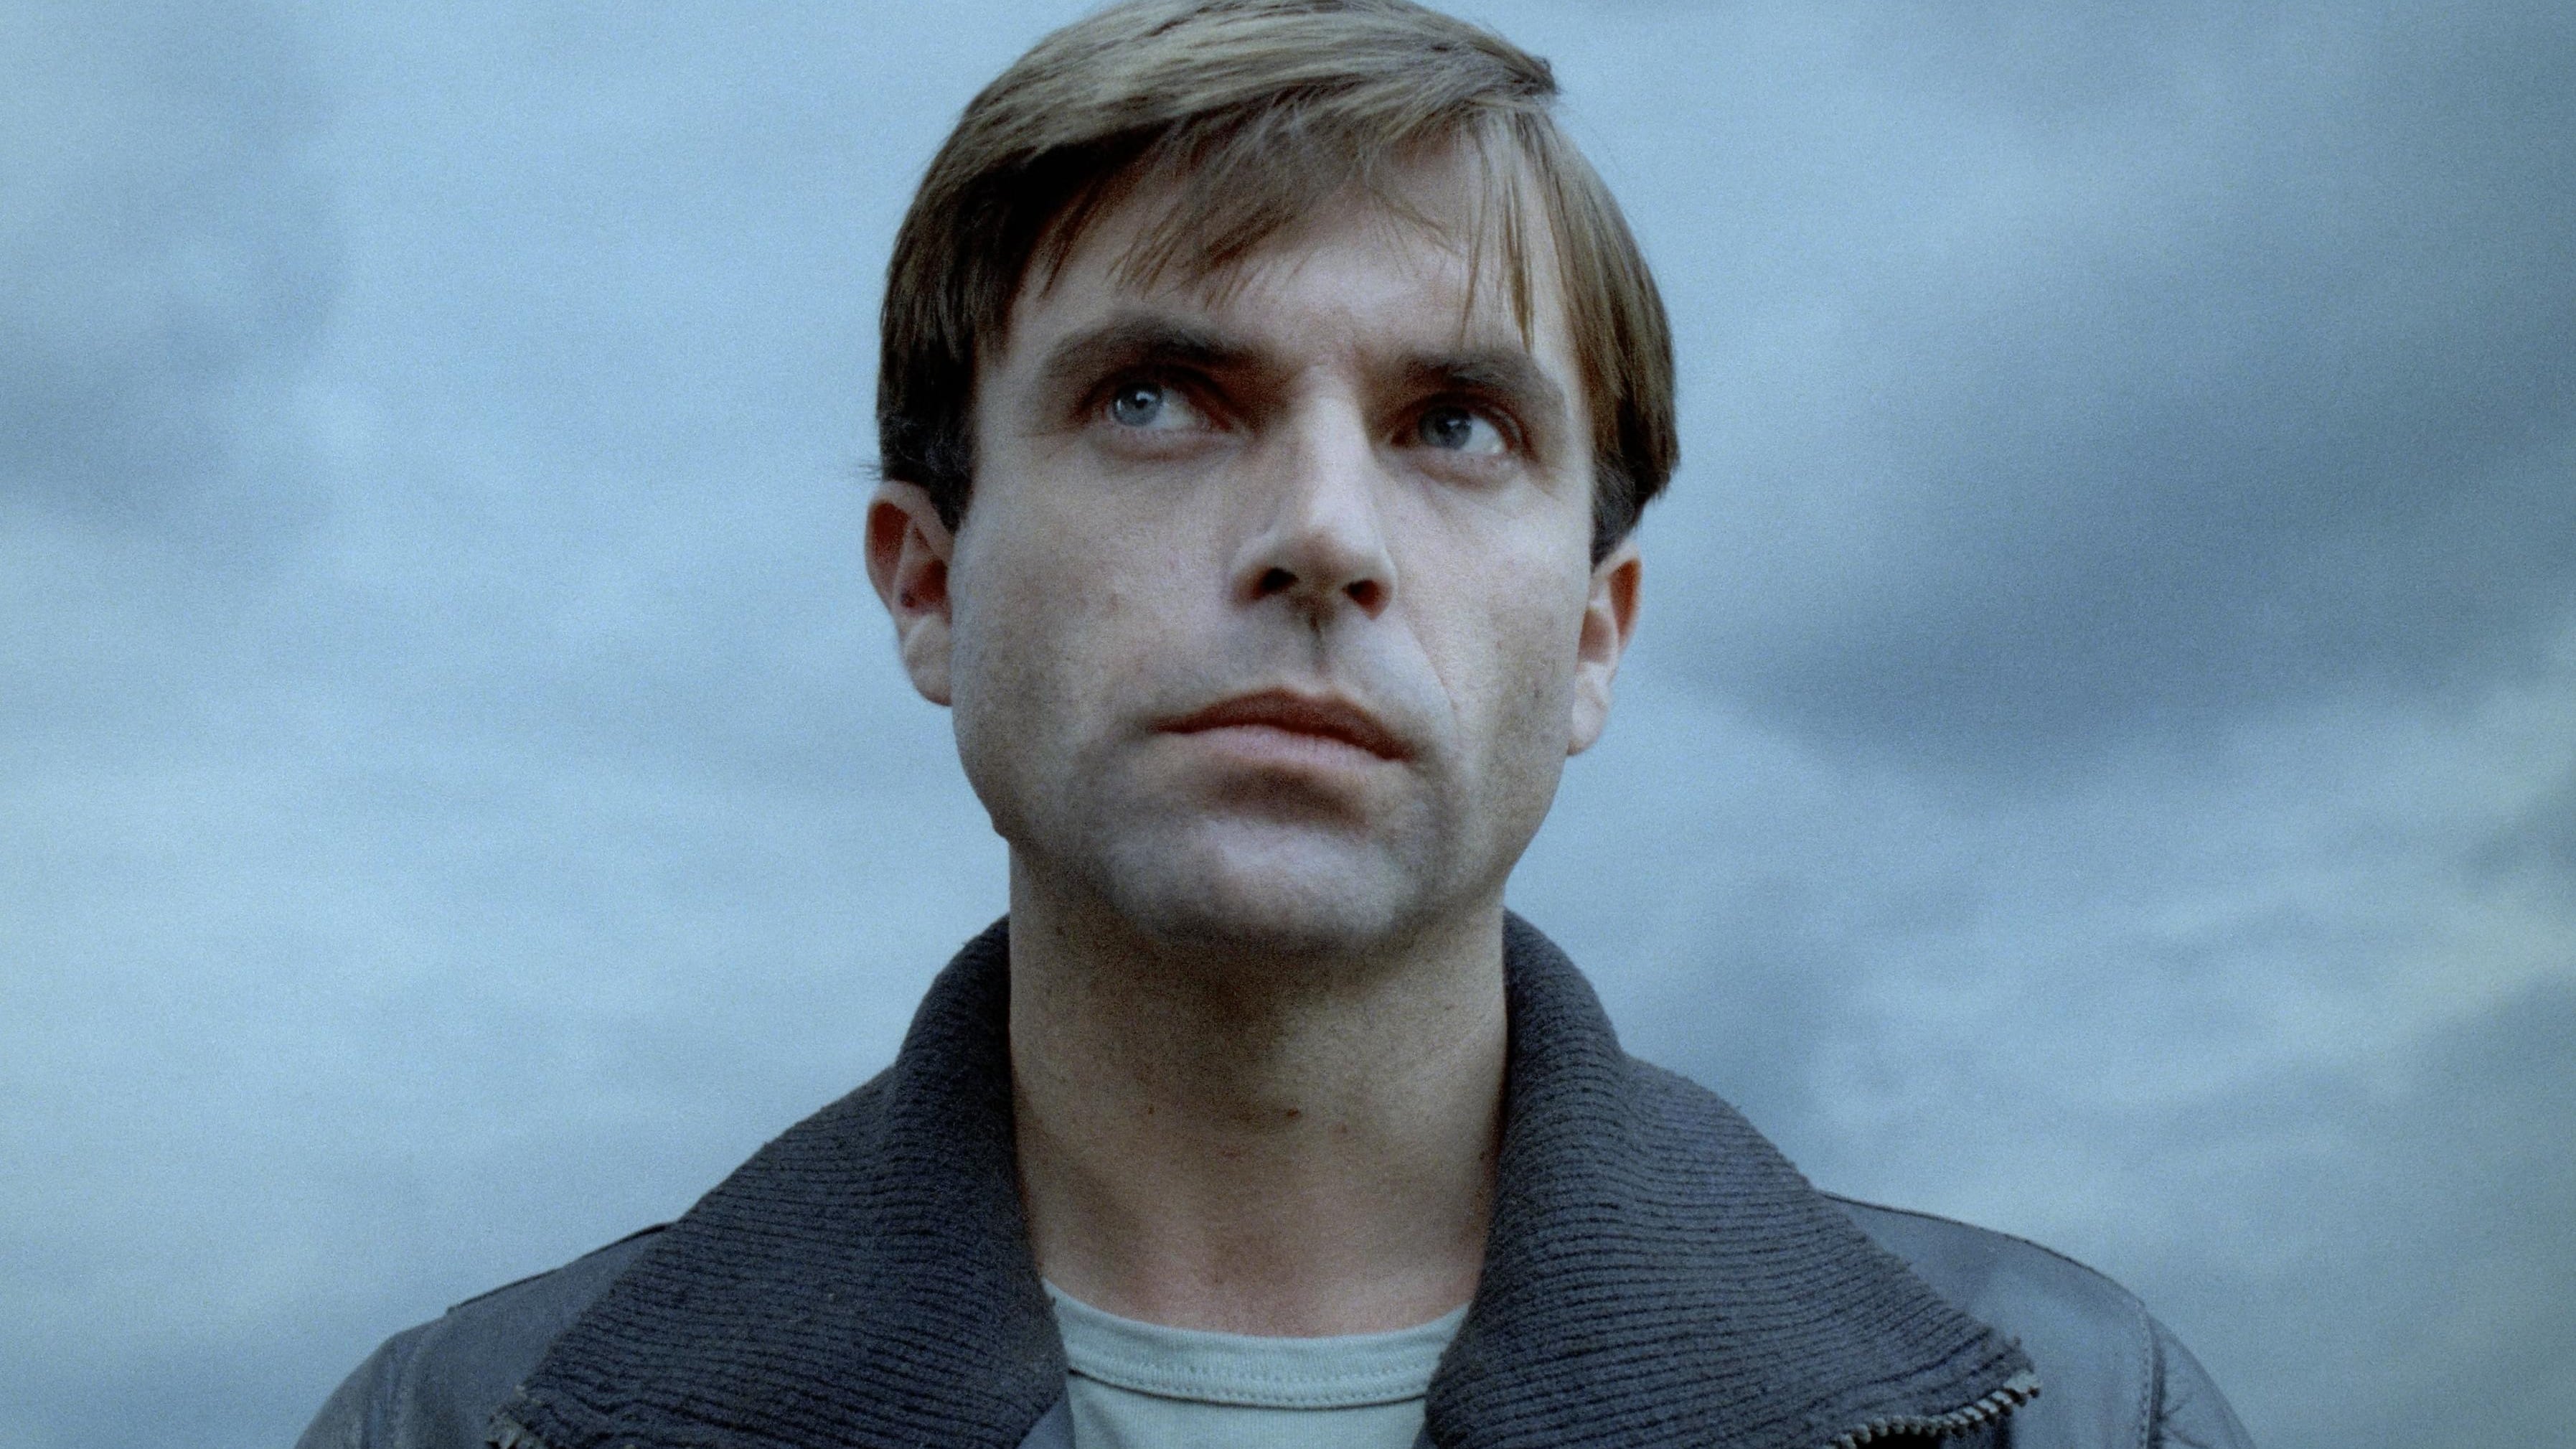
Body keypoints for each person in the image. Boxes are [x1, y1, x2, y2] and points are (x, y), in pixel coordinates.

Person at [299, 2, 2254, 1446]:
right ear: (926, 584)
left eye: (1454, 424)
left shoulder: (2077, 1419)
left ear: (1593, 638)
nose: (1324, 532)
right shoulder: (459, 1429)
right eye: (1158, 398)